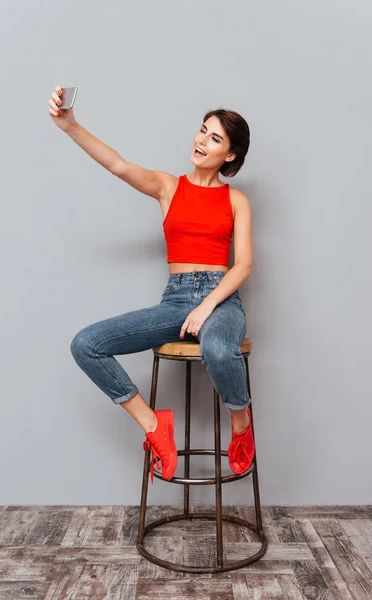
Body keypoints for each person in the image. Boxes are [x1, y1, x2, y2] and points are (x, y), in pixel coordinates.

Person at [48, 86, 254, 484]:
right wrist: (71, 126)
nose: (201, 140)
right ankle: (153, 425)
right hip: (176, 299)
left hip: (222, 299)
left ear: (229, 155)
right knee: (86, 344)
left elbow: (243, 264)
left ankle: (242, 425)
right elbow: (118, 165)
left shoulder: (236, 200)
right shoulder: (168, 187)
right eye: (202, 130)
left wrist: (207, 305)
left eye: (215, 138)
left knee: (216, 345)